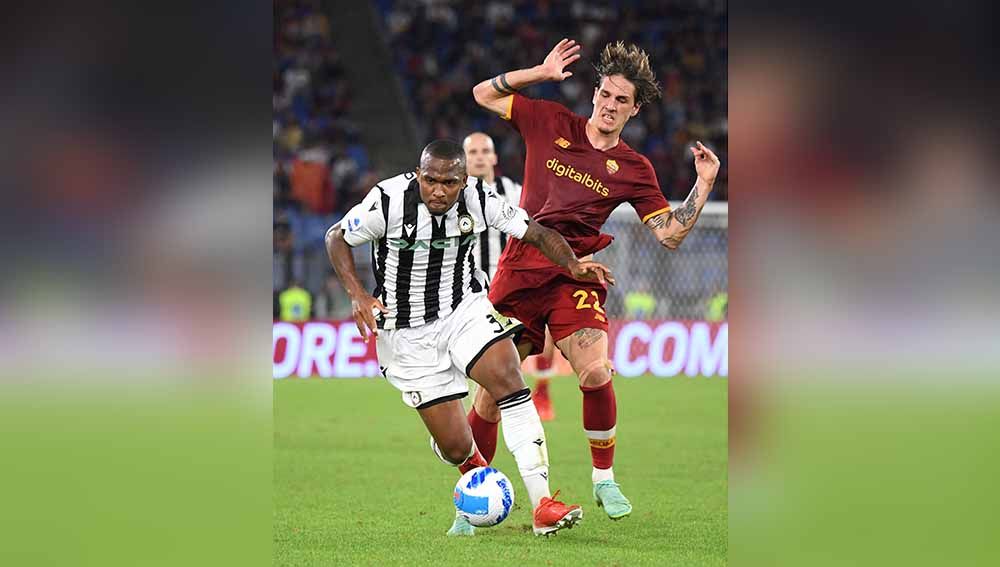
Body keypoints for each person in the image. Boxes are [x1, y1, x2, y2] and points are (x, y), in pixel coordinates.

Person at [470, 39, 722, 520]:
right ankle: (473, 492)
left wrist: (703, 185)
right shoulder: (548, 120)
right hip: (521, 268)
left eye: (621, 100)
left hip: (575, 272)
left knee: (596, 371)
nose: (609, 106)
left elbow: (669, 234)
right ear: (594, 94)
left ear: (635, 108)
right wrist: (540, 73)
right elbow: (483, 93)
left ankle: (604, 479)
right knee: (489, 395)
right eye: (605, 94)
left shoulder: (633, 169)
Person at [325, 140, 615, 537]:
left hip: (463, 310)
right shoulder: (388, 201)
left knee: (508, 379)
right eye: (430, 180)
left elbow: (536, 232)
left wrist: (571, 264)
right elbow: (335, 237)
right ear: (419, 174)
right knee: (456, 447)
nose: (438, 191)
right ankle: (474, 474)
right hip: (407, 335)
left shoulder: (480, 198)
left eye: (448, 182)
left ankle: (543, 503)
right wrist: (358, 295)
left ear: (464, 180)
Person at [462, 132, 557, 424]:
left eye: (484, 151)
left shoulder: (514, 193)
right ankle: (478, 409)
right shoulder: (453, 196)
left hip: (510, 286)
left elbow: (539, 226)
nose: (478, 156)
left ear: (494, 157)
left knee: (543, 330)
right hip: (467, 289)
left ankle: (541, 391)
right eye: (472, 152)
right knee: (478, 355)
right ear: (464, 160)